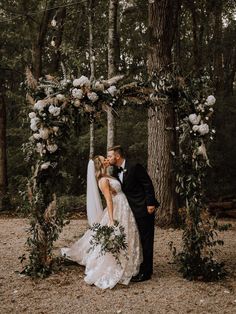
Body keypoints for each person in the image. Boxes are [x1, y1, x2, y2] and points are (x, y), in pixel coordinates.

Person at [61, 155, 142, 289]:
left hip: (123, 205)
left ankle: (129, 261)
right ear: (100, 164)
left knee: (128, 233)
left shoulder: (108, 175)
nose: (106, 160)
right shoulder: (103, 180)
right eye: (104, 159)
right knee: (117, 234)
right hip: (116, 209)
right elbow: (108, 200)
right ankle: (115, 264)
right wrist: (111, 219)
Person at [107, 145, 159, 282]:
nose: (109, 158)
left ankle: (146, 272)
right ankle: (137, 266)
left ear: (117, 156)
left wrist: (150, 203)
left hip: (143, 208)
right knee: (136, 240)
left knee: (146, 240)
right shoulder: (115, 171)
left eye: (110, 156)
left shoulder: (135, 166)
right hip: (129, 211)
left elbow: (147, 184)